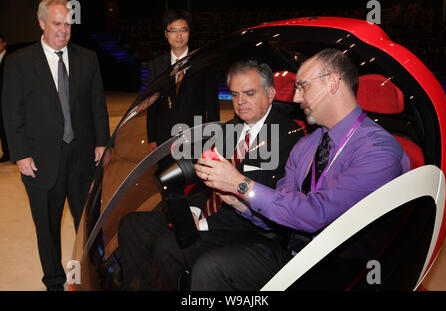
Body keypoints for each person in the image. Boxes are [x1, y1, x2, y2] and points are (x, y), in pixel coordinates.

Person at [192, 49, 410, 290]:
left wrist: (240, 184)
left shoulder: (378, 150)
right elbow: (283, 214)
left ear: (332, 83)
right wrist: (239, 202)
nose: (296, 98)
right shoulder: (307, 144)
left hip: (346, 268)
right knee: (209, 266)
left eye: (303, 86)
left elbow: (317, 214)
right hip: (297, 255)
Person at [117, 60, 304, 290]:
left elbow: (268, 206)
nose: (241, 102)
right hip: (210, 216)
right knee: (131, 225)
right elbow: (202, 183)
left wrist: (202, 224)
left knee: (170, 245)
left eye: (249, 93)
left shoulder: (289, 138)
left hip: (248, 228)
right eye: (235, 94)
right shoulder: (228, 130)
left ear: (271, 93)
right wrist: (194, 212)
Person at [1, 0, 110, 290]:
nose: (63, 31)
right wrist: (20, 154)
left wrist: (102, 142)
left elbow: (97, 104)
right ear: (41, 23)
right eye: (57, 24)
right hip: (39, 160)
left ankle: (91, 274)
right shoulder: (18, 62)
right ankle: (53, 281)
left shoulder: (87, 58)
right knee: (46, 227)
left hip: (82, 158)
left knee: (88, 223)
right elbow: (12, 112)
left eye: (67, 24)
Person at [145, 9, 219, 152]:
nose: (179, 35)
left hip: (196, 137)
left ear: (189, 32)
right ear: (166, 34)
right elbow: (152, 105)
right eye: (173, 30)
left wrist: (213, 138)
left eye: (183, 30)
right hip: (164, 138)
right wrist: (151, 138)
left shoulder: (203, 64)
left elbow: (212, 105)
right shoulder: (156, 65)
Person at [0, 34, 9, 162]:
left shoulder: (11, 58)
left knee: (8, 126)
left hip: (7, 98)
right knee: (2, 127)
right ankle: (6, 152)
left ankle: (11, 153)